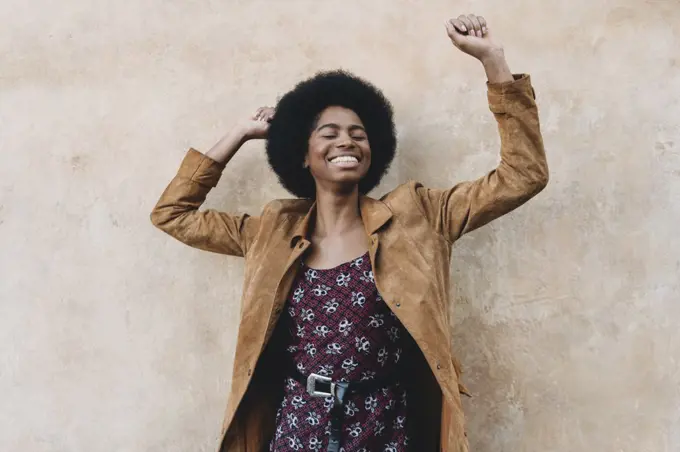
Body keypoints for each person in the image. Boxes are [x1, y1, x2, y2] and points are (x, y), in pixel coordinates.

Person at [150, 13, 548, 452]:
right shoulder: (271, 232)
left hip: (387, 428)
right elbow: (173, 213)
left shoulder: (419, 216)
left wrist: (493, 61)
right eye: (330, 133)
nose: (347, 142)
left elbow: (522, 176)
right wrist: (241, 132)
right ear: (303, 154)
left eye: (359, 134)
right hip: (299, 427)